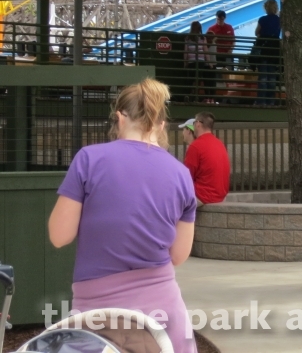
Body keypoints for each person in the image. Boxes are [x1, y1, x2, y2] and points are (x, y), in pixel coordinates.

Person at [47, 78, 197, 353]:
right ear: (161, 124)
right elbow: (178, 255)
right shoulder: (182, 174)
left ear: (119, 117)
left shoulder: (88, 160)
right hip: (163, 314)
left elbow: (59, 236)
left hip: (98, 314)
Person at [183, 111, 231, 205]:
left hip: (202, 196)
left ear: (198, 124)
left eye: (194, 122)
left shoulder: (196, 146)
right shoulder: (220, 144)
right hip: (221, 196)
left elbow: (186, 177)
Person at [253, 0, 281, 105]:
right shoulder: (279, 20)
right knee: (272, 76)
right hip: (274, 49)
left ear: (266, 8)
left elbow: (256, 32)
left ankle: (261, 101)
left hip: (264, 48)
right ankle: (271, 101)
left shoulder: (262, 19)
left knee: (263, 76)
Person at [184, 21, 214, 98]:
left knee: (190, 80)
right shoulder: (202, 38)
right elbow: (205, 51)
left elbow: (186, 52)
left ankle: (188, 96)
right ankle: (195, 96)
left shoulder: (188, 38)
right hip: (201, 62)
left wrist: (185, 63)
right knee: (198, 80)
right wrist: (209, 63)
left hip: (191, 62)